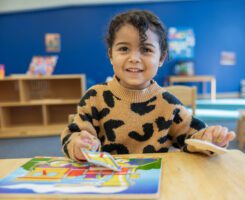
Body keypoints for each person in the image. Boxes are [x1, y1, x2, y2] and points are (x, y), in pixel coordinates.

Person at [61, 10, 235, 161]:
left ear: (161, 58)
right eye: (123, 49)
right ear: (110, 55)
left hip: (156, 183)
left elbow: (193, 139)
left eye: (146, 50)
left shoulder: (169, 104)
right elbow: (72, 135)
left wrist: (209, 139)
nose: (134, 58)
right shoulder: (94, 98)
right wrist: (78, 144)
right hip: (107, 184)